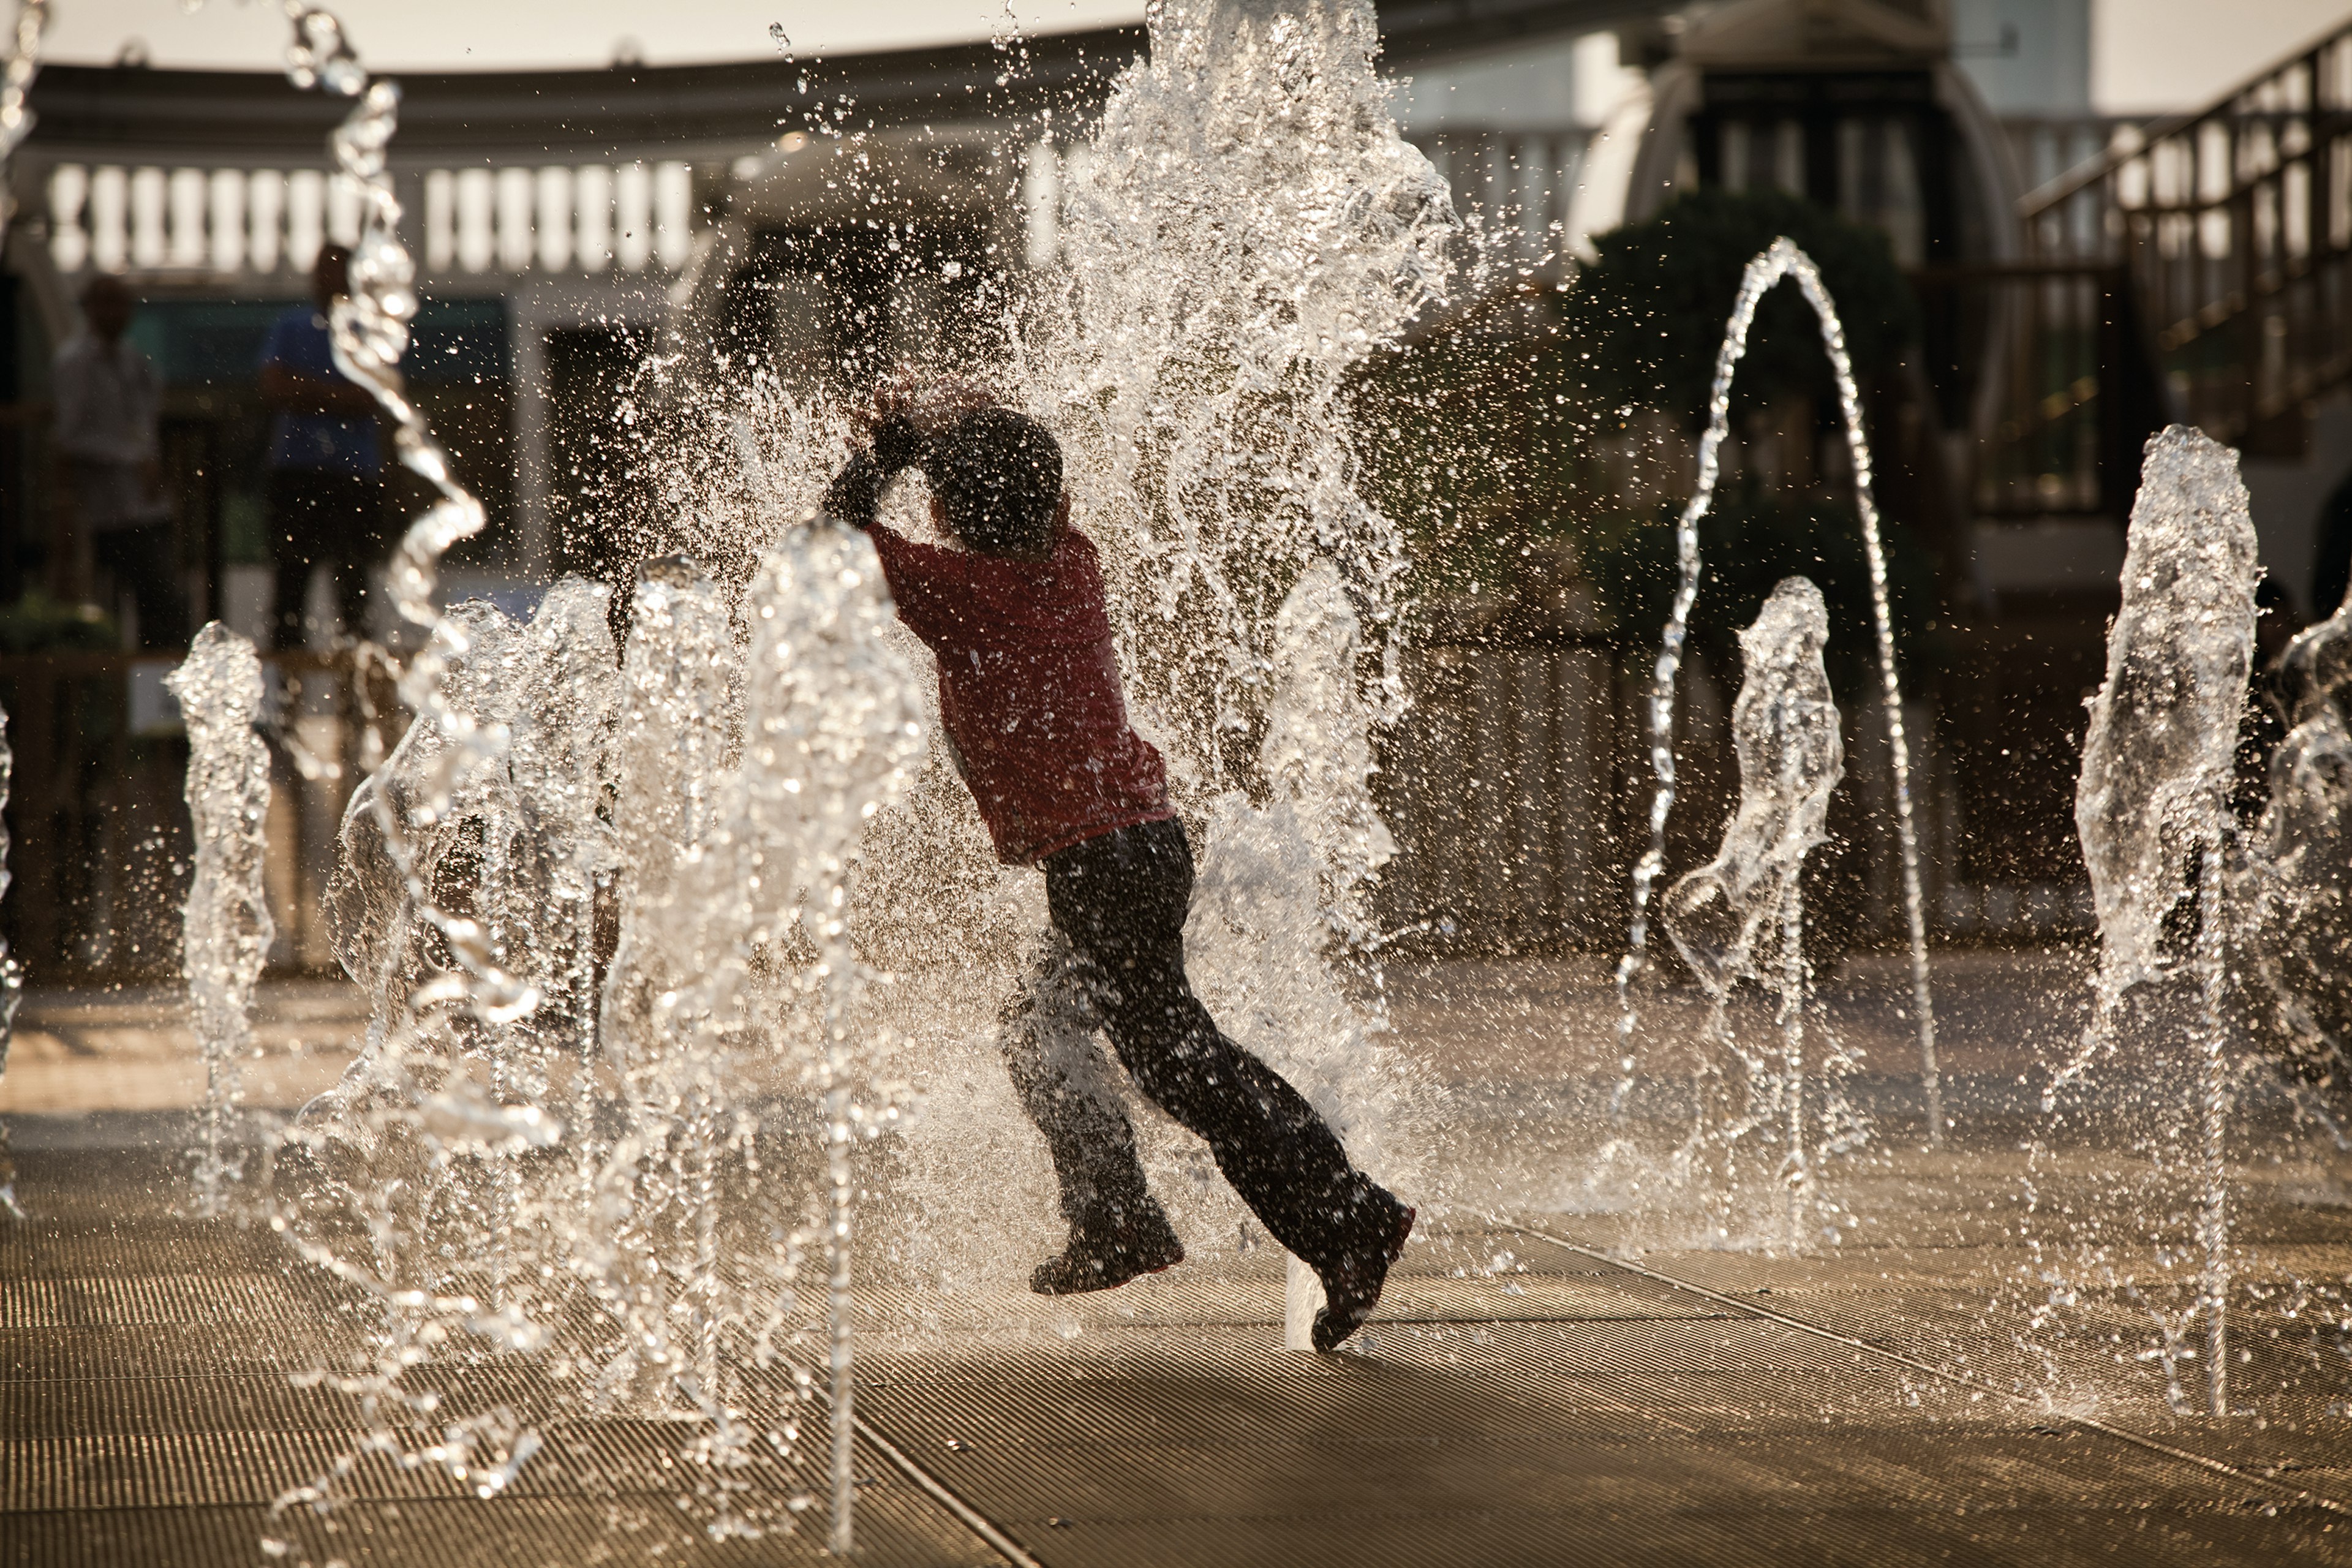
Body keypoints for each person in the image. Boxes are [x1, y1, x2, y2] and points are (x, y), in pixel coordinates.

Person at [818, 389, 1415, 1352]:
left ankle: (1348, 1218)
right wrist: (948, 431)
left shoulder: (966, 593)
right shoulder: (1070, 564)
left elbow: (826, 545)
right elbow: (1018, 486)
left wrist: (890, 447)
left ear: (943, 516)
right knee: (1042, 1030)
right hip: (1140, 845)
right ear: (1055, 509)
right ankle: (1116, 1216)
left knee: (1178, 1062)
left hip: (1101, 862)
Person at [51, 275, 183, 649]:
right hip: (109, 510)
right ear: (90, 308)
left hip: (147, 503)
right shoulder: (75, 363)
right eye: (106, 303)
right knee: (130, 604)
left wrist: (151, 464)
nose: (115, 313)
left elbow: (145, 422)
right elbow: (70, 436)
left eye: (121, 303)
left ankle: (153, 687)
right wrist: (130, 459)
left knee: (164, 604)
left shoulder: (132, 359)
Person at [260, 243, 383, 648]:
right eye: (323, 271)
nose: (328, 280)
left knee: (353, 591)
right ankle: (287, 702)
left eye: (336, 272)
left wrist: (308, 392)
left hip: (352, 473)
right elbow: (274, 387)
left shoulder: (369, 330)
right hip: (299, 473)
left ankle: (356, 701)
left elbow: (372, 397)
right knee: (290, 589)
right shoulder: (292, 326)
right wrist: (337, 396)